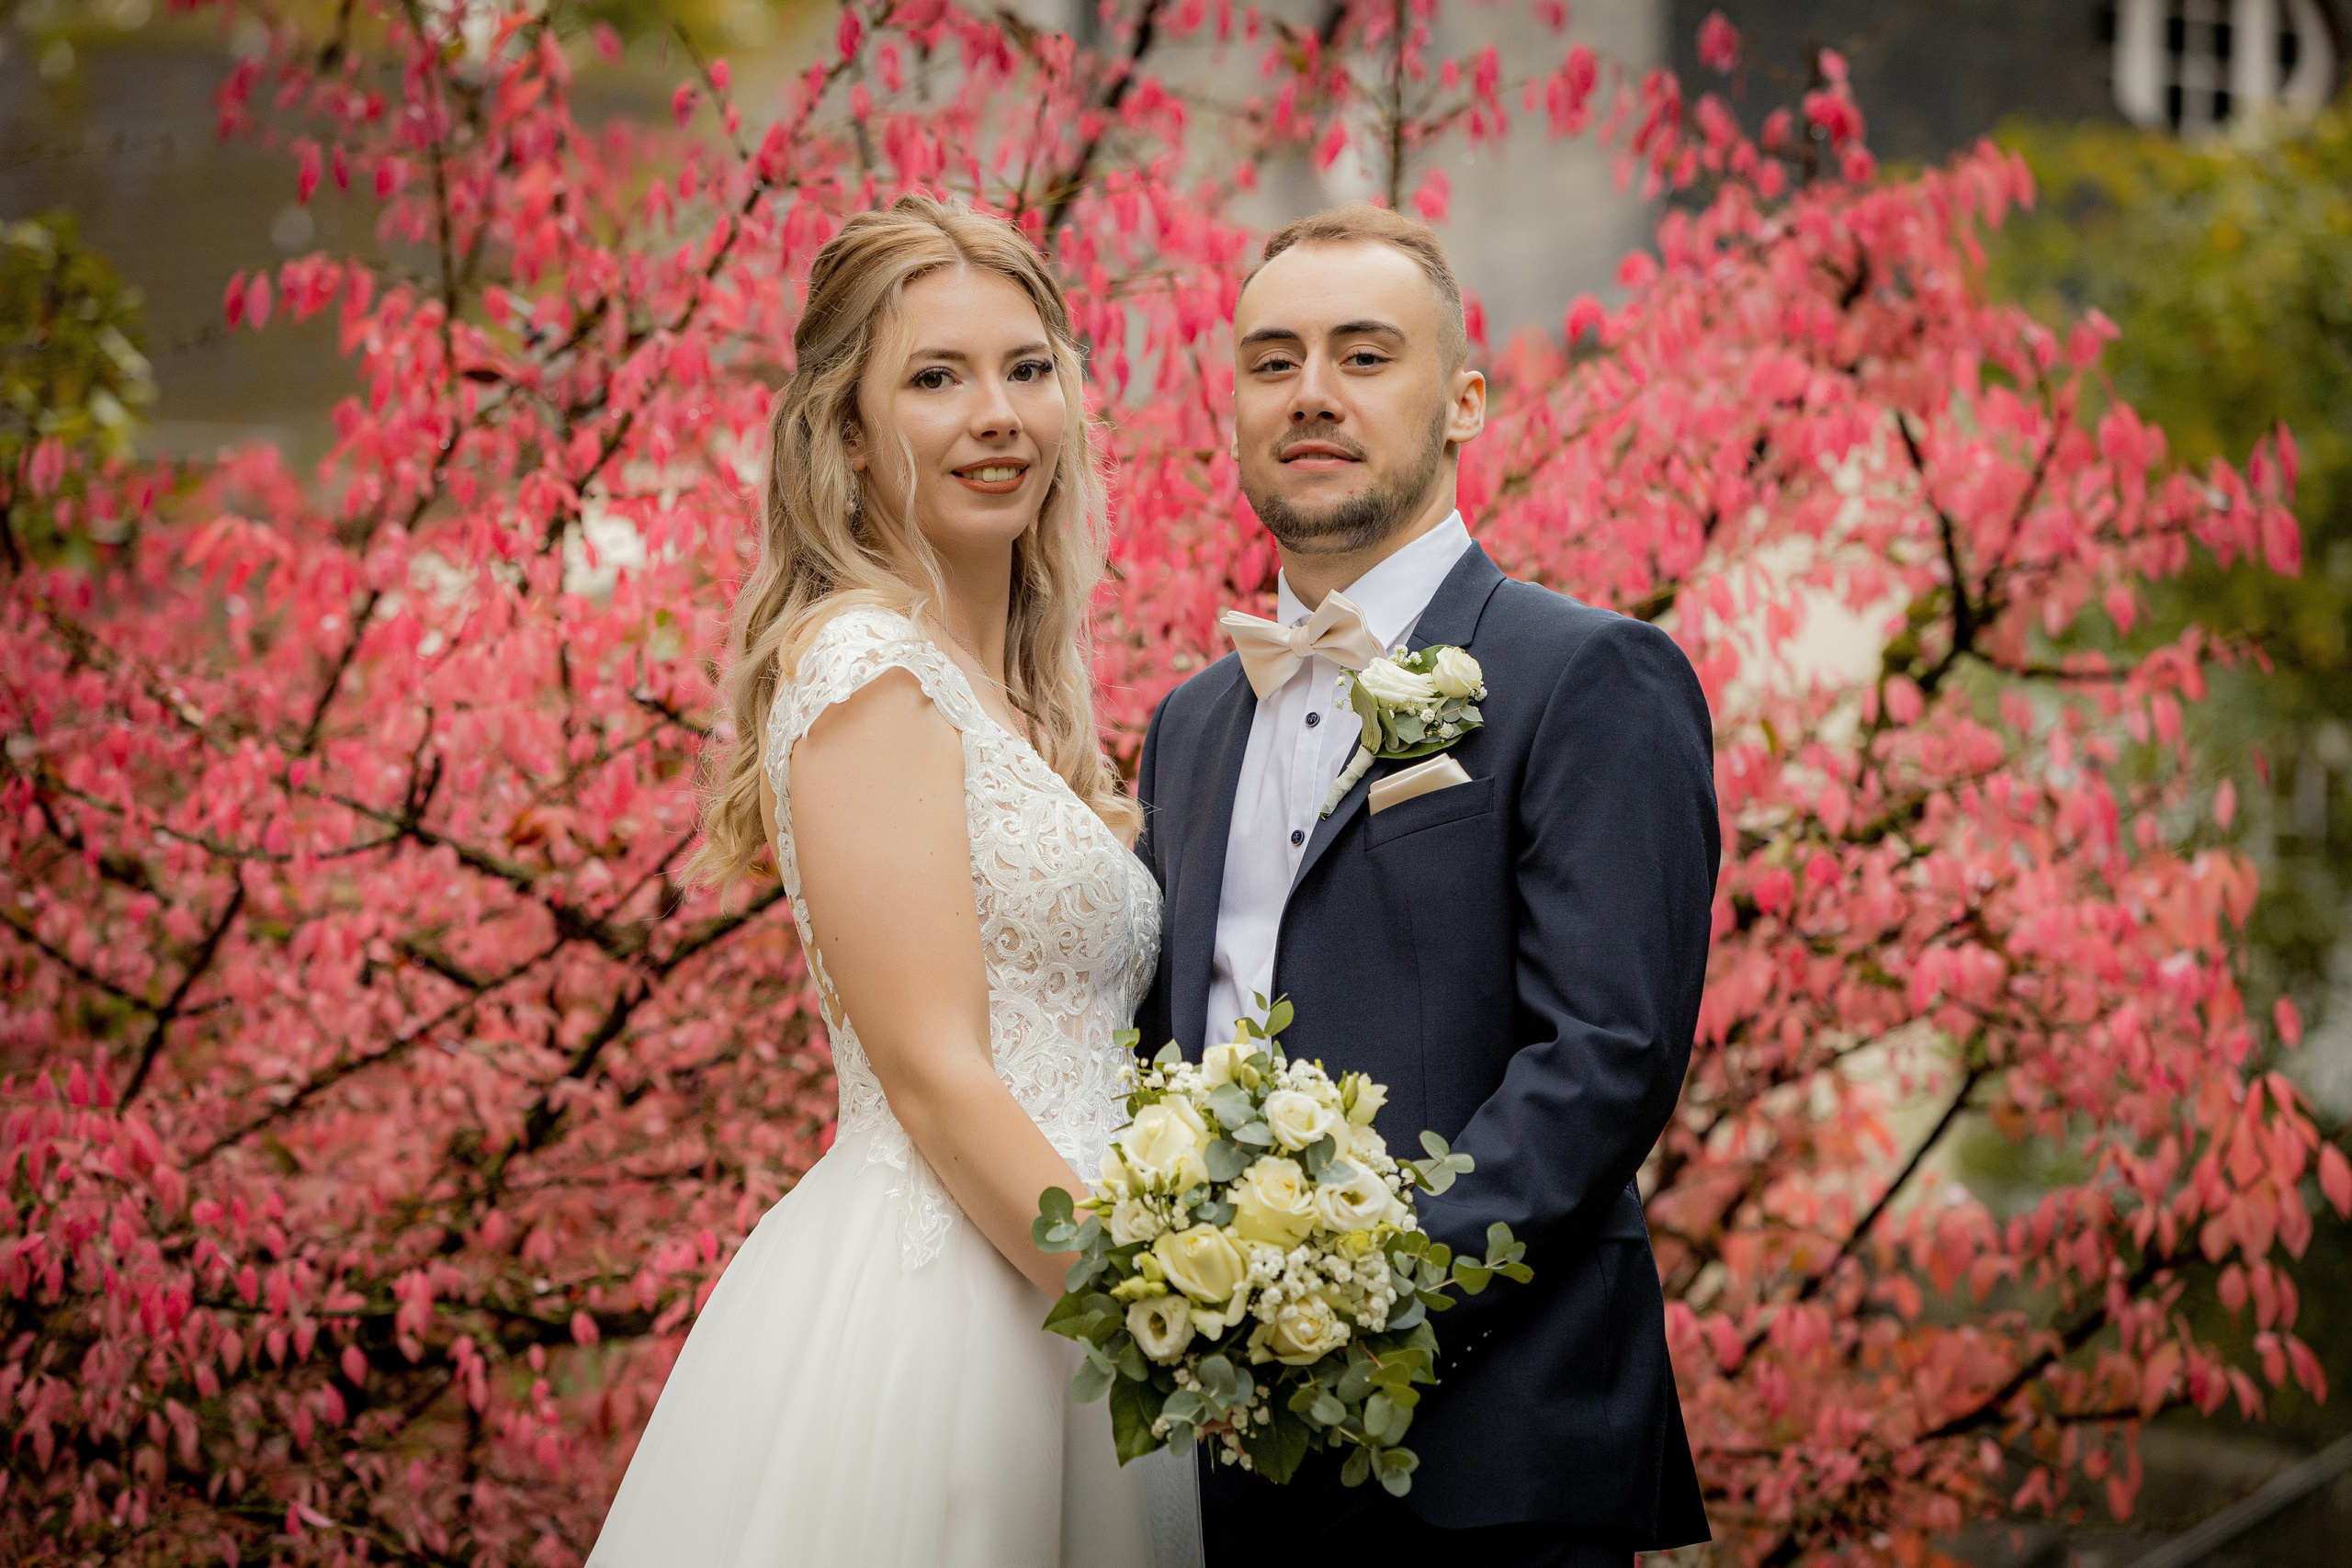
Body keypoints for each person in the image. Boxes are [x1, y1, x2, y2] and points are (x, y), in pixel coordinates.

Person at [590, 195, 1193, 1568]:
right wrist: (1155, 1316)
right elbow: (935, 1075)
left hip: (1074, 1284)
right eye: (936, 377)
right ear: (848, 435)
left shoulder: (1019, 697)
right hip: (971, 1308)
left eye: (1027, 369)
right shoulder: (867, 669)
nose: (999, 415)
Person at [1133, 204, 1720, 1566]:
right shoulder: (1188, 723)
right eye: (1272, 360)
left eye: (1364, 354)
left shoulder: (1588, 676)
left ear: (1464, 400)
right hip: (1222, 1458)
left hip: (1491, 1457)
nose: (1313, 395)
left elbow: (1605, 1059)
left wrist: (1356, 1297)